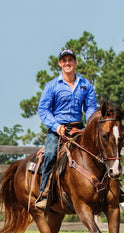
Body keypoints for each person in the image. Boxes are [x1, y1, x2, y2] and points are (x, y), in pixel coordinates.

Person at [35, 49, 97, 210]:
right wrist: (56, 126)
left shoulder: (85, 85)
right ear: (60, 64)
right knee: (49, 154)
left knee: (99, 150)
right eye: (64, 60)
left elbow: (90, 107)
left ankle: (112, 188)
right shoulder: (52, 86)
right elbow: (43, 110)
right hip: (58, 130)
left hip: (79, 128)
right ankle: (45, 192)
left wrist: (90, 125)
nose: (67, 63)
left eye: (70, 60)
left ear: (75, 62)